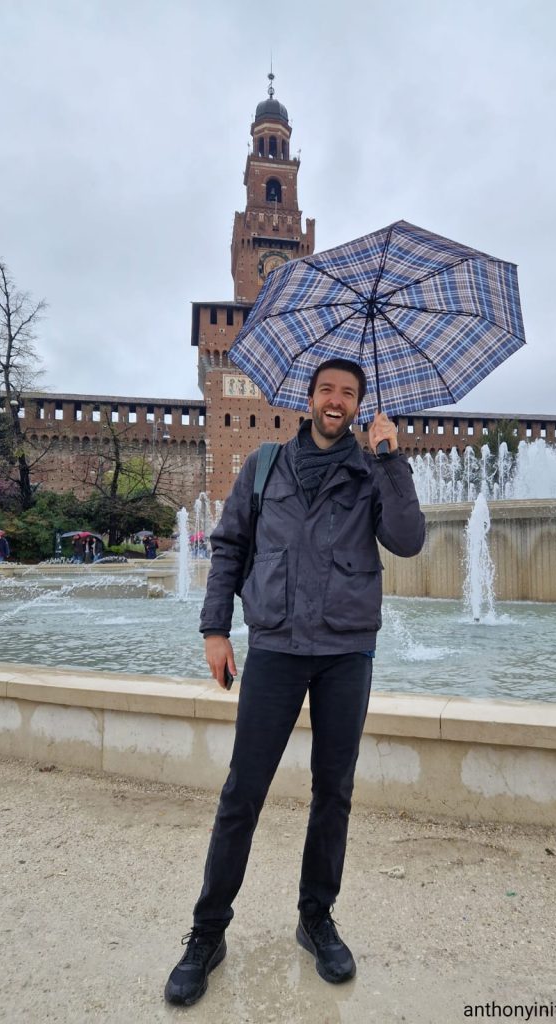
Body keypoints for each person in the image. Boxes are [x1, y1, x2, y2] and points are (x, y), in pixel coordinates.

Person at [164, 358, 425, 1007]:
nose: (336, 401)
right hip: (277, 646)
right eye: (327, 390)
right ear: (308, 398)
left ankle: (316, 919)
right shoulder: (263, 467)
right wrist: (215, 630)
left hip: (345, 650)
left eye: (348, 394)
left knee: (332, 791)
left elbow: (409, 539)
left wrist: (391, 458)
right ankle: (206, 932)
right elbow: (229, 549)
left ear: (359, 405)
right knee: (241, 793)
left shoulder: (373, 469)